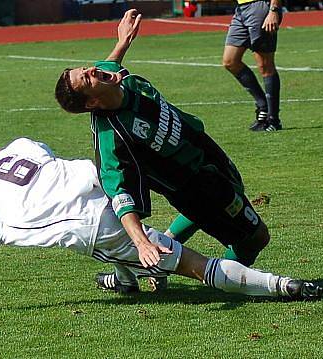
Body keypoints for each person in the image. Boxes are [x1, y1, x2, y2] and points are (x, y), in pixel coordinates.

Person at [0, 133, 323, 312]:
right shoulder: (21, 145)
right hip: (107, 183)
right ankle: (125, 280)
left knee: (195, 266)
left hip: (91, 225)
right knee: (114, 250)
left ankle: (282, 285)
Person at [54, 8, 276, 292]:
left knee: (238, 191)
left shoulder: (112, 80)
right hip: (197, 188)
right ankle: (227, 282)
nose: (92, 70)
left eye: (85, 68)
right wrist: (140, 242)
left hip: (206, 152)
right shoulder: (113, 137)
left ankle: (168, 242)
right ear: (93, 103)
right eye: (87, 78)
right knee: (255, 238)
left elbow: (108, 65)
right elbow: (119, 195)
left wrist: (123, 41)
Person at [222, 0, 283, 131]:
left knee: (265, 65)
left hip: (260, 7)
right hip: (241, 10)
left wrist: (273, 11)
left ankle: (273, 119)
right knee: (230, 61)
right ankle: (263, 106)